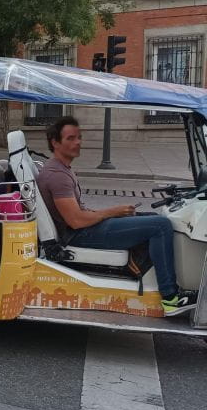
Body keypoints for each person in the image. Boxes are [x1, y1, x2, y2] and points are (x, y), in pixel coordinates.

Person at [37, 116, 197, 317]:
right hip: (79, 235)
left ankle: (141, 269)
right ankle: (170, 297)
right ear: (55, 142)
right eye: (70, 138)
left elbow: (78, 213)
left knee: (149, 216)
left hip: (83, 229)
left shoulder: (62, 169)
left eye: (79, 137)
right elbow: (76, 221)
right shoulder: (57, 176)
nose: (77, 142)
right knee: (160, 226)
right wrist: (113, 212)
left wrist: (112, 213)